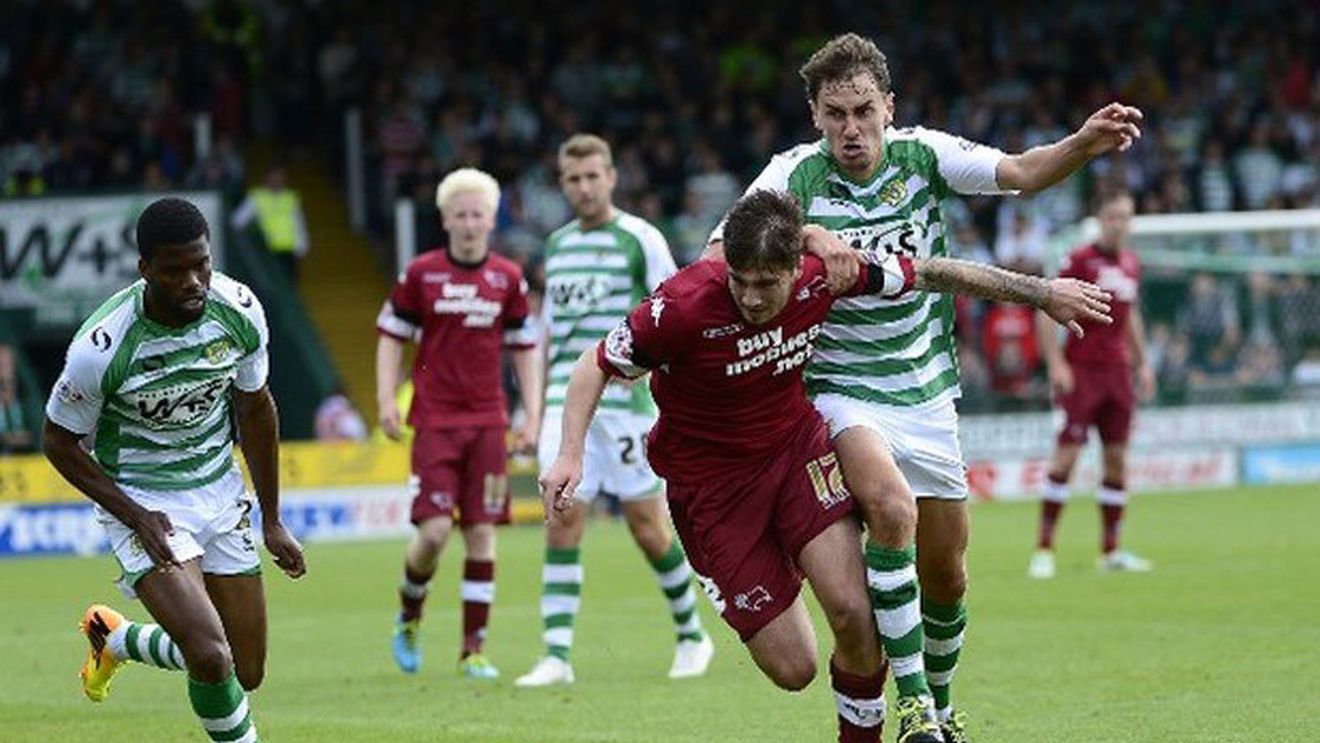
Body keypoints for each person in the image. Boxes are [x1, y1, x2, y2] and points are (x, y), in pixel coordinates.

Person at [544, 190, 1109, 743]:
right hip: (710, 492)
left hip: (795, 454)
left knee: (855, 613)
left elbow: (933, 273)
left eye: (768, 284)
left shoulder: (827, 275)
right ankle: (769, 571)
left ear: (797, 268)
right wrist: (570, 452)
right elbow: (595, 365)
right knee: (794, 668)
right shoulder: (682, 306)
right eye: (741, 281)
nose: (753, 298)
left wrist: (1039, 293)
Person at [707, 33, 1141, 741]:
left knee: (948, 576)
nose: (852, 129)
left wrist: (1084, 143)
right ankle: (912, 709)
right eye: (835, 113)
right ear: (814, 114)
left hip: (929, 389)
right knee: (889, 507)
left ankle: (939, 703)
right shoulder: (791, 174)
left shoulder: (923, 155)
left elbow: (1024, 172)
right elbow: (720, 248)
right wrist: (808, 234)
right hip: (841, 386)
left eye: (863, 111)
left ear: (889, 108)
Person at [43, 197, 306, 743]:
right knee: (211, 657)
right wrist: (136, 516)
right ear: (145, 270)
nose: (193, 281)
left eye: (201, 264)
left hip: (219, 491)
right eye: (175, 270)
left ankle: (116, 639)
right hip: (143, 501)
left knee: (245, 669)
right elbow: (59, 443)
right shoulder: (103, 347)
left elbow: (256, 406)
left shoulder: (238, 310)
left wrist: (272, 519)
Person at [516, 134, 713, 687]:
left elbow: (673, 311)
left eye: (592, 176)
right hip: (564, 400)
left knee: (648, 527)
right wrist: (532, 411)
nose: (583, 187)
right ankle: (556, 655)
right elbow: (550, 329)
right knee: (561, 519)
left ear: (611, 177)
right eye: (573, 179)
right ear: (563, 184)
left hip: (625, 403)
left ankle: (692, 636)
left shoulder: (640, 238)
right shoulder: (555, 247)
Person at [375, 167, 541, 679]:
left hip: (488, 423)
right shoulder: (421, 274)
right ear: (445, 219)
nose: (470, 223)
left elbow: (525, 348)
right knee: (433, 534)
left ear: (492, 220)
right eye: (461, 214)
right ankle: (409, 614)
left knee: (482, 535)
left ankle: (473, 650)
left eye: (478, 215)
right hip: (436, 423)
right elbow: (390, 336)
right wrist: (385, 398)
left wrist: (532, 414)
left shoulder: (507, 278)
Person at [1030, 188, 1155, 578]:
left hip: (1117, 375)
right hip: (1082, 371)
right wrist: (1056, 365)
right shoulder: (1080, 260)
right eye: (1113, 216)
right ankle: (1044, 551)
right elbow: (1045, 310)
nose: (1120, 224)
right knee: (1066, 457)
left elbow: (1129, 315)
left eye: (1126, 216)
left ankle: (1111, 550)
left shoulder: (1132, 264)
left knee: (1117, 459)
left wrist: (1142, 362)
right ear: (1099, 219)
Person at [230, 165, 309, 282]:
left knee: (290, 282)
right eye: (274, 178)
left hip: (288, 249)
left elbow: (298, 222)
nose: (277, 181)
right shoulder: (256, 197)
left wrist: (302, 245)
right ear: (267, 179)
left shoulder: (290, 197)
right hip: (267, 249)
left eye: (280, 178)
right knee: (272, 283)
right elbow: (238, 221)